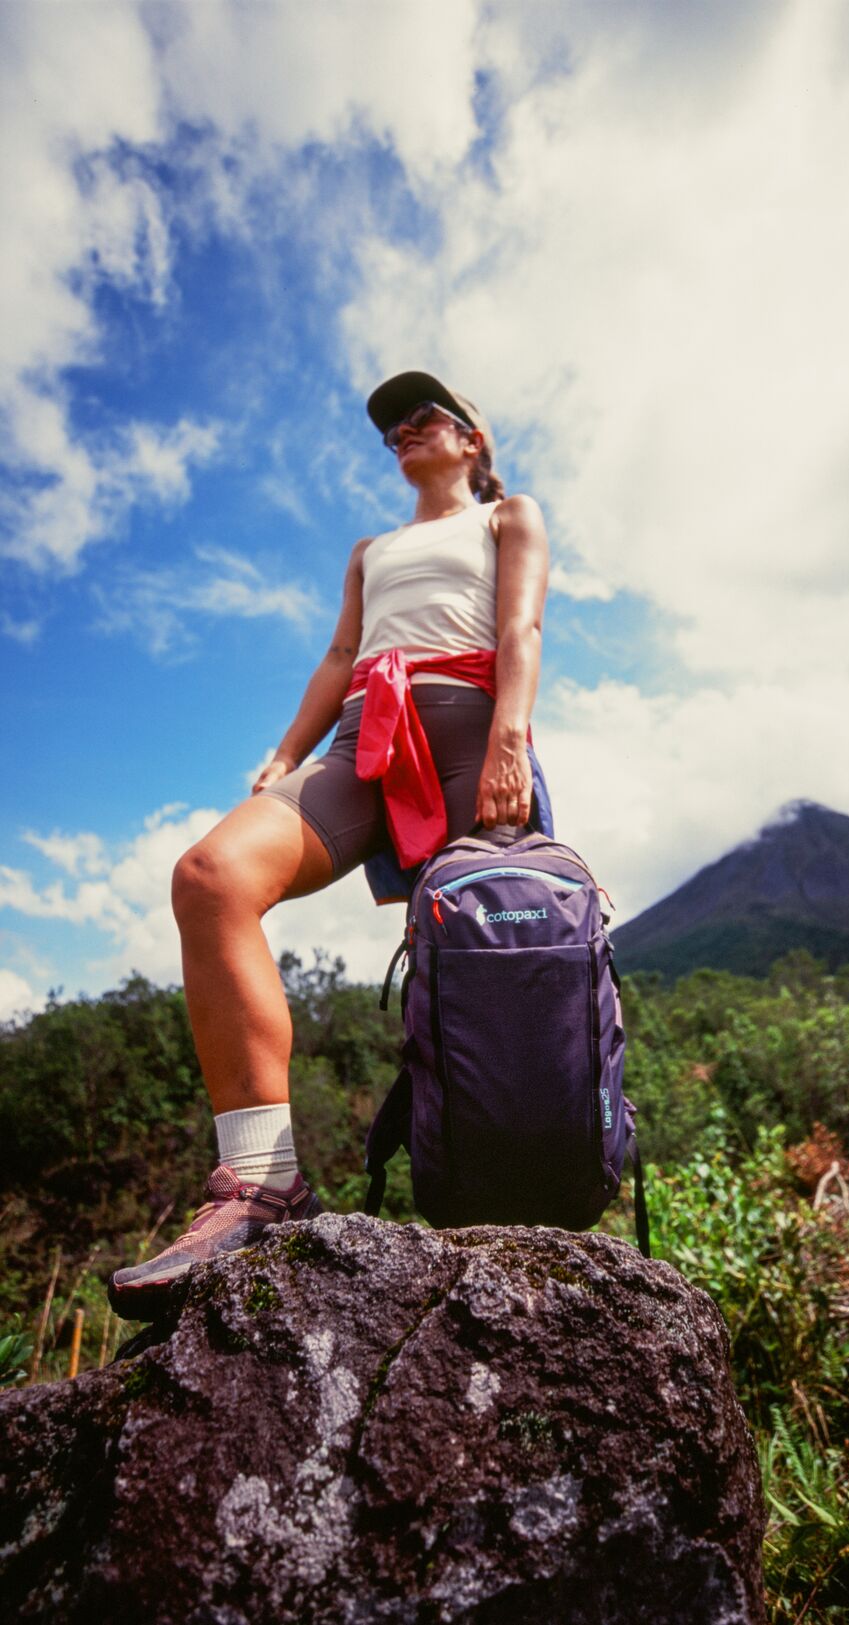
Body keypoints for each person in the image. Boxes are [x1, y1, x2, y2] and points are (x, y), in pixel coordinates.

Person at [108, 371, 551, 1319]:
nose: (403, 431)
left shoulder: (507, 516)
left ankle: (513, 1190)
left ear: (472, 438)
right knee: (210, 877)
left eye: (424, 416)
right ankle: (261, 1184)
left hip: (471, 729)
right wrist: (285, 755)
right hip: (365, 740)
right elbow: (340, 657)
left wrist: (511, 738)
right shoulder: (369, 550)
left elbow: (520, 624)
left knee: (493, 959)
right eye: (392, 426)